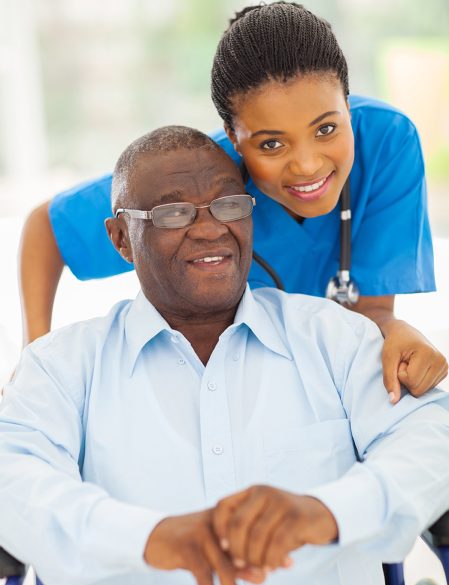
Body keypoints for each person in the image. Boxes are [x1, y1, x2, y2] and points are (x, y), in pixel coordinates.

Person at [2, 126, 449, 585]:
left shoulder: (333, 336)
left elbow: (432, 442)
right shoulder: (62, 366)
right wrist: (148, 539)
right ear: (121, 240)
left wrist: (327, 512)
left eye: (229, 204)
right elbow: (12, 478)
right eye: (174, 213)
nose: (211, 227)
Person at [18, 2, 447, 405]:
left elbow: (369, 311)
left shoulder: (387, 142)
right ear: (233, 135)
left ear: (347, 103)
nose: (307, 165)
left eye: (326, 129)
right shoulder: (200, 178)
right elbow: (46, 228)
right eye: (272, 143)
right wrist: (35, 359)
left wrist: (398, 332)